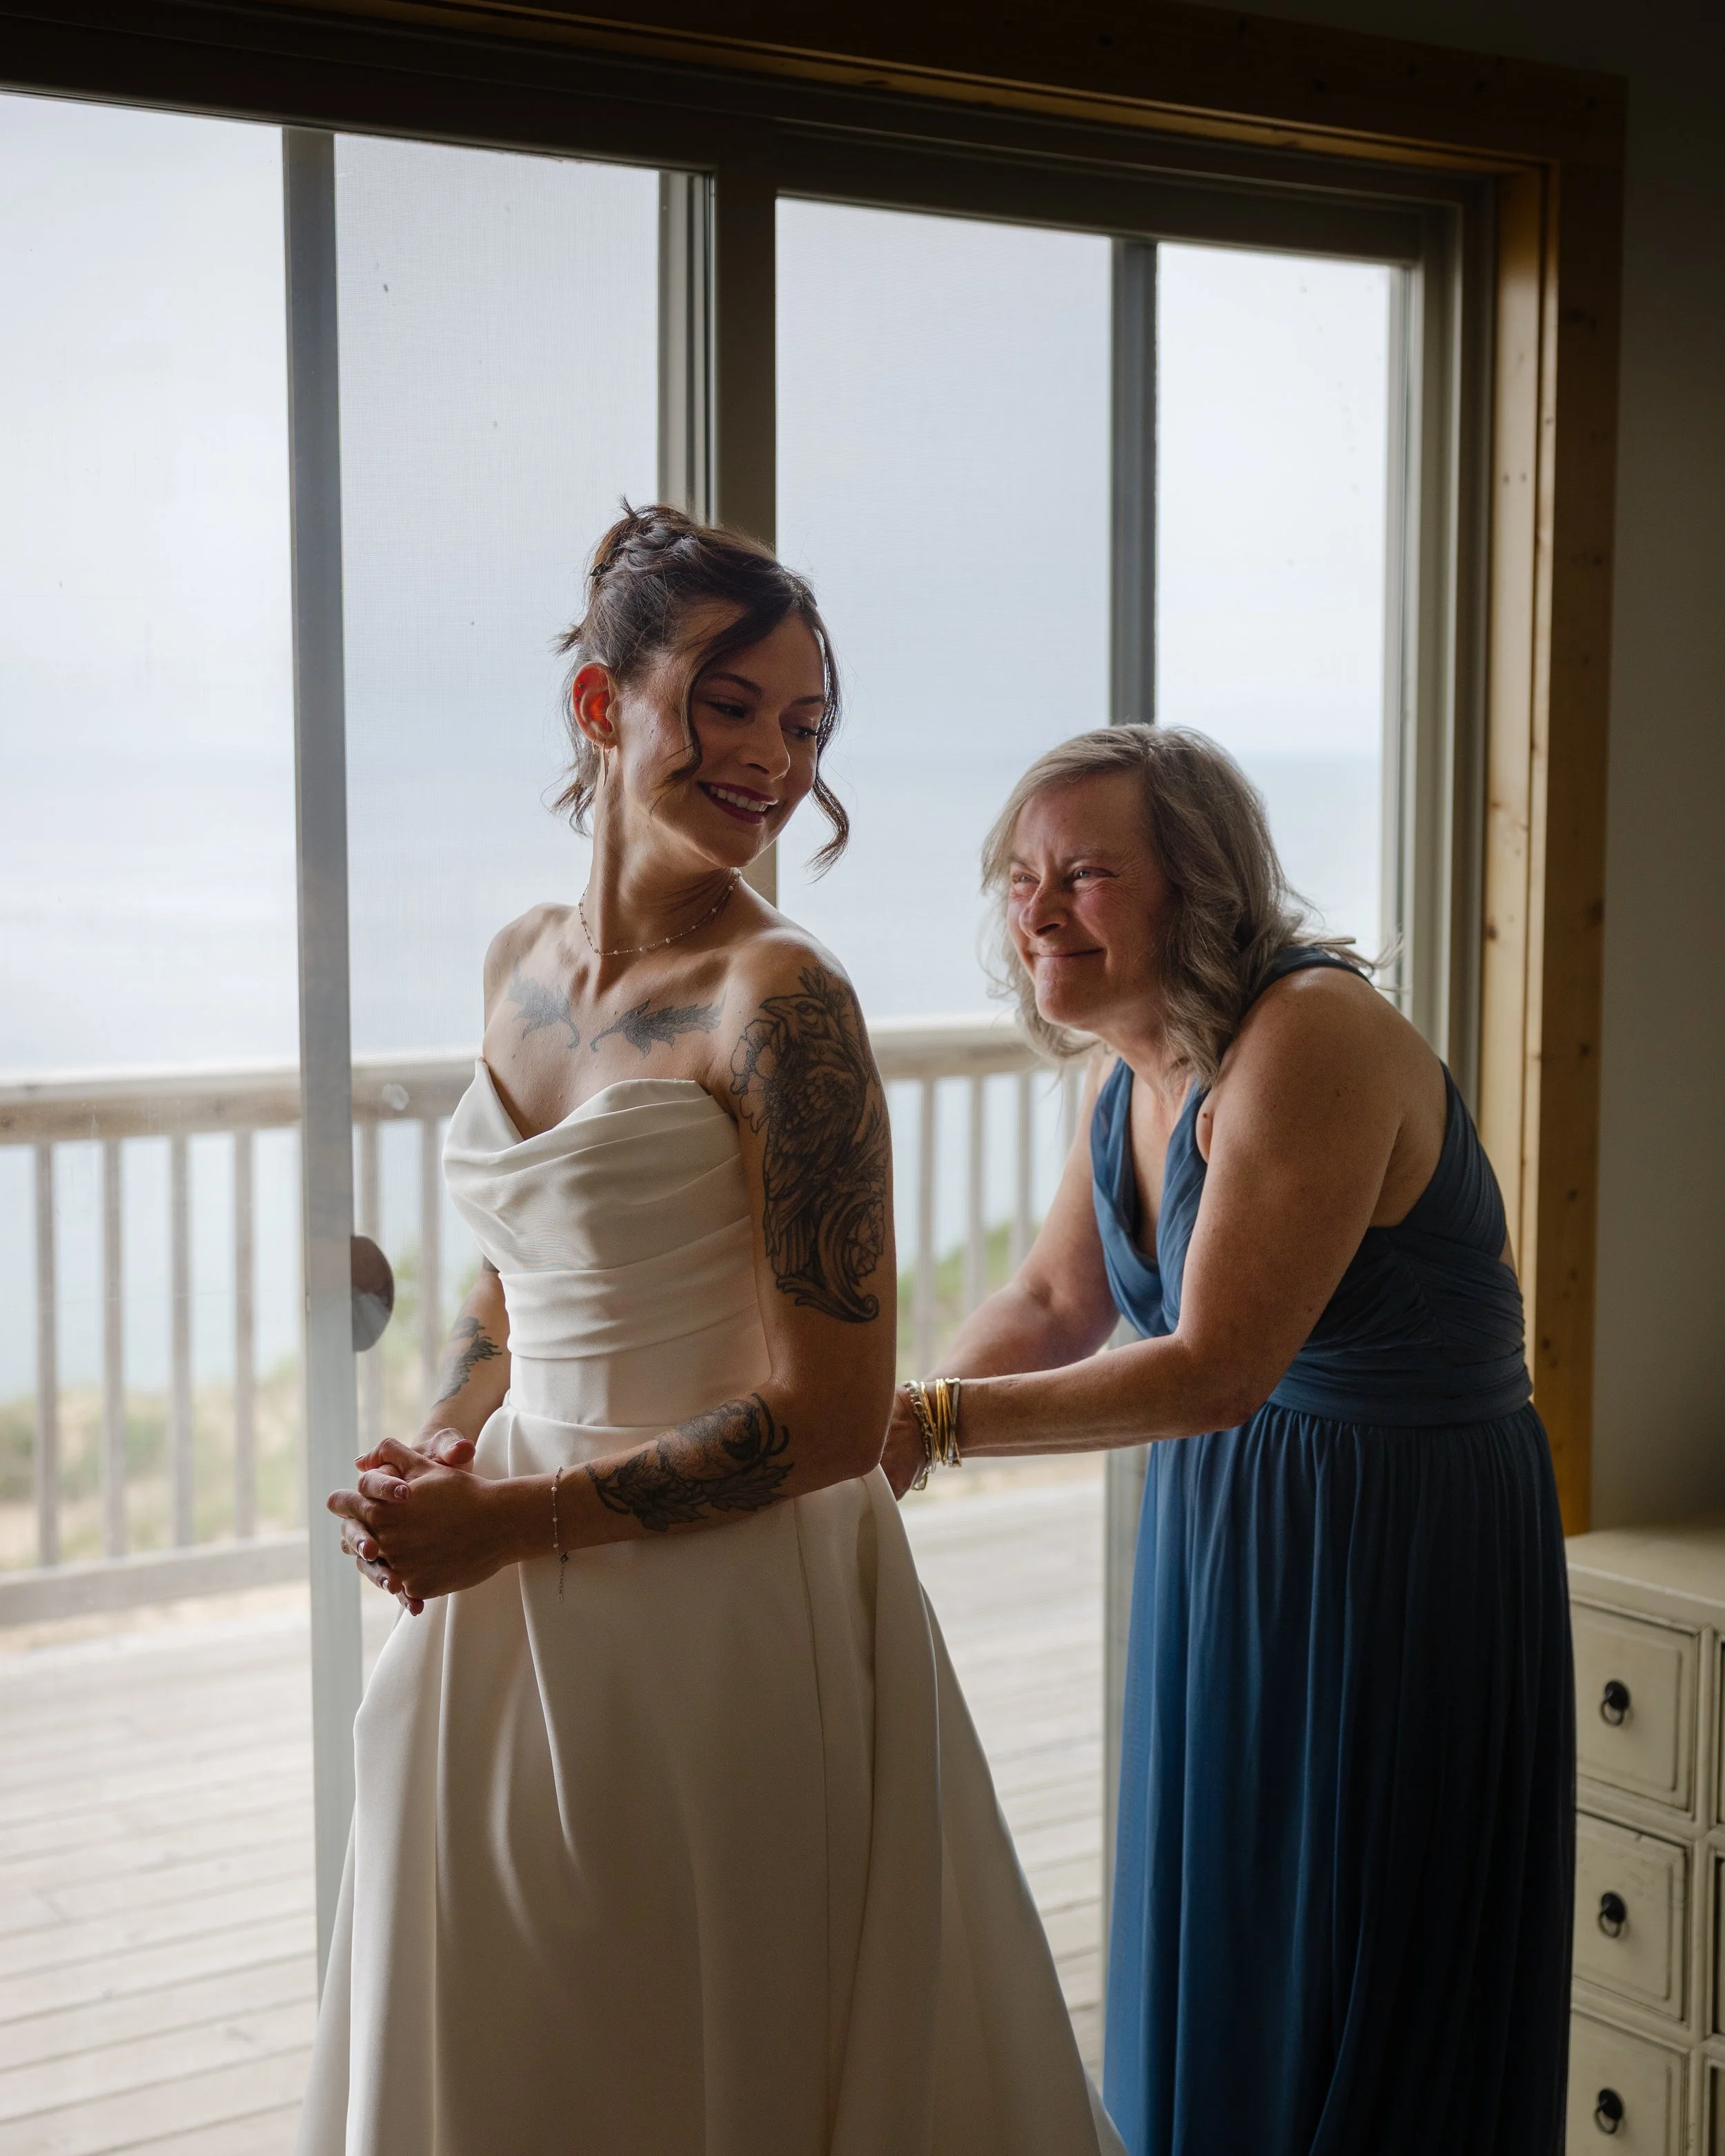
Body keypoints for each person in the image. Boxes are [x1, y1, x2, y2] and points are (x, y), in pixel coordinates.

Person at [299, 507, 1122, 2156]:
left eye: (805, 724)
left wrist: (513, 1520)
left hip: (726, 1603)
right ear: (606, 708)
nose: (769, 759)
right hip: (510, 1571)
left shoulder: (782, 1001)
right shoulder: (518, 969)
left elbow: (833, 1419)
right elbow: (514, 1276)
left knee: (703, 2034)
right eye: (728, 704)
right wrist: (450, 1435)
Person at [881, 725, 1575, 2156]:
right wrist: (876, 1435)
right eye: (1018, 876)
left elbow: (1211, 1367)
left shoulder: (1305, 1037)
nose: (1035, 909)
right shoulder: (1125, 1070)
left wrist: (933, 1426)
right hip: (1227, 1532)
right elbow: (1055, 1297)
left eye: (1082, 873)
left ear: (1194, 887)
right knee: (1232, 1917)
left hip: (1395, 1543)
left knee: (1357, 1952)